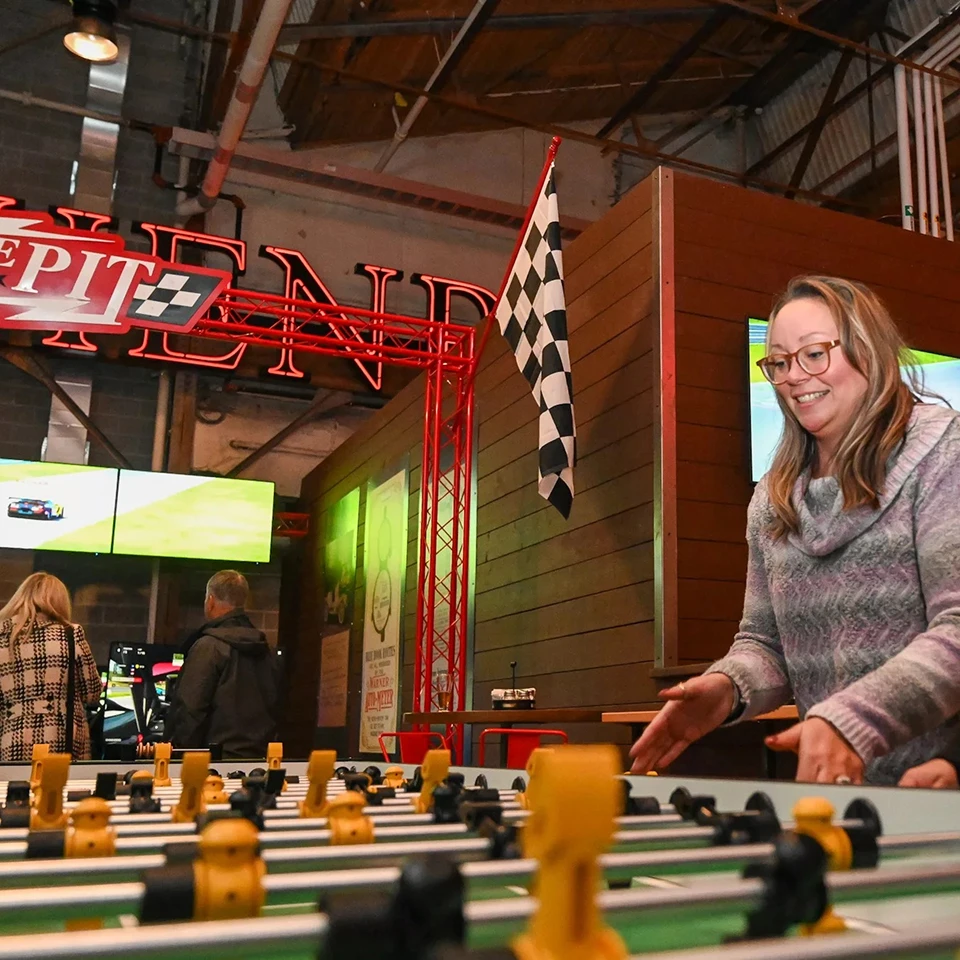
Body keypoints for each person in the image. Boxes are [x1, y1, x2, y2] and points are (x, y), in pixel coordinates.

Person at [630, 276, 960, 787]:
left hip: (939, 788)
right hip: (838, 796)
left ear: (868, 352)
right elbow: (765, 644)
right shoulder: (772, 497)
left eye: (814, 354)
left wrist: (852, 721)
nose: (793, 377)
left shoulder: (944, 453)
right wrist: (727, 686)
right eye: (780, 363)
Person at [166, 570, 279, 758]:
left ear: (210, 600)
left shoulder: (208, 647)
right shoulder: (266, 650)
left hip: (214, 765)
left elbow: (190, 711)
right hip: (258, 763)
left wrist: (178, 756)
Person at [0, 572, 101, 761]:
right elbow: (92, 693)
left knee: (17, 790)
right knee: (56, 789)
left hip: (11, 739)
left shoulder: (2, 638)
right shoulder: (71, 634)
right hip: (61, 737)